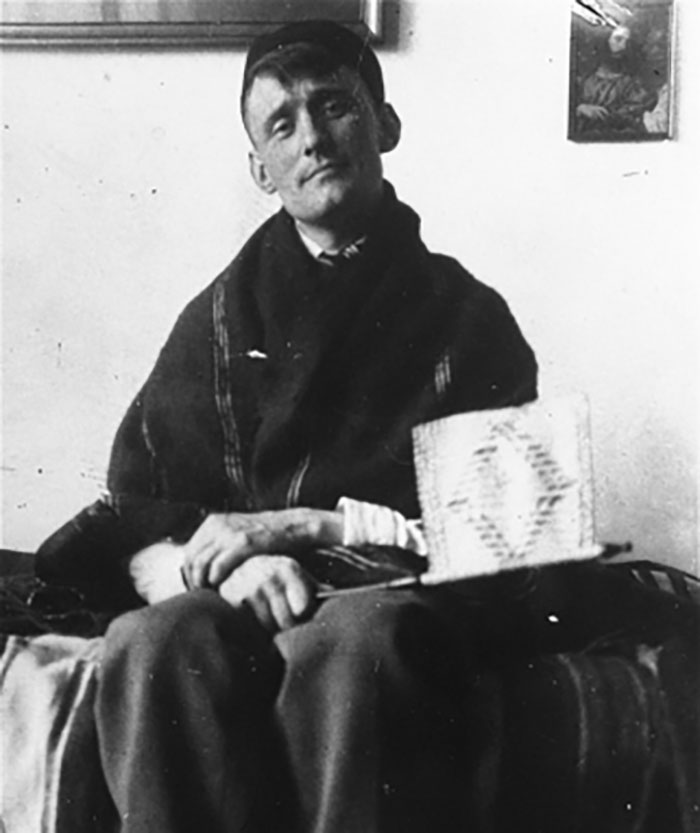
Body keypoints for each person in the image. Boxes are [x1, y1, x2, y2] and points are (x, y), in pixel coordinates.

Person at [28, 18, 695, 833]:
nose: (311, 138)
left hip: (390, 594)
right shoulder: (211, 324)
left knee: (356, 642)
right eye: (282, 123)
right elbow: (138, 503)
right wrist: (222, 568)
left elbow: (511, 541)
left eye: (334, 106)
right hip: (239, 592)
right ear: (259, 169)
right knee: (154, 642)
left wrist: (313, 526)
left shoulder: (468, 320)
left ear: (385, 125)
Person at [575, 24, 657, 138]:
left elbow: (629, 120)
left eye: (627, 43)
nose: (623, 46)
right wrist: (579, 109)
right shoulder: (584, 78)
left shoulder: (632, 85)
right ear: (605, 40)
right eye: (618, 39)